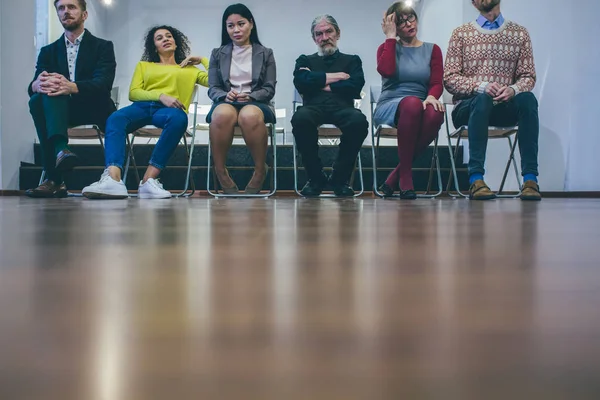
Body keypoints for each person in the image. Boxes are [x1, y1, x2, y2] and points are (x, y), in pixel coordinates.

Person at [82, 25, 208, 199]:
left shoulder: (190, 70)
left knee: (179, 119)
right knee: (115, 119)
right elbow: (134, 92)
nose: (165, 39)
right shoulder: (144, 66)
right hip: (141, 107)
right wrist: (161, 95)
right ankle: (113, 179)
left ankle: (149, 180)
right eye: (159, 38)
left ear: (176, 43)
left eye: (169, 36)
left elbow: (216, 81)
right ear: (154, 46)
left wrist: (202, 60)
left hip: (168, 111)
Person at [444, 0, 541, 201]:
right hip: (467, 107)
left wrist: (513, 90)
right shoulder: (461, 33)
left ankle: (530, 180)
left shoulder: (519, 33)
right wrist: (481, 86)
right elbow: (450, 78)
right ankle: (476, 179)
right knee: (483, 100)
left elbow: (528, 76)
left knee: (528, 100)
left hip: (502, 106)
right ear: (473, 2)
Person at [25, 0, 116, 198]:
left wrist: (71, 86)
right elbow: (34, 85)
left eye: (72, 7)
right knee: (39, 98)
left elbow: (103, 84)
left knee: (52, 93)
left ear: (84, 15)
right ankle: (61, 152)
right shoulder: (48, 51)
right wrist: (36, 85)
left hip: (95, 107)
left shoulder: (103, 47)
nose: (66, 12)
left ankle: (55, 178)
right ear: (58, 14)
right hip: (61, 109)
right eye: (61, 8)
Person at [291, 15, 368, 197]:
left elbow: (356, 85)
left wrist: (318, 82)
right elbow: (301, 82)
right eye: (319, 34)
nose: (324, 37)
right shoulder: (304, 60)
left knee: (358, 121)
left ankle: (339, 178)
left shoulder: (352, 60)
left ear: (338, 33)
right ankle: (315, 177)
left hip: (343, 107)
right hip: (313, 107)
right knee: (300, 119)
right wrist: (339, 76)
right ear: (314, 38)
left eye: (328, 31)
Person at [374, 2, 445, 199]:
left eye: (410, 18)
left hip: (421, 103)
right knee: (412, 103)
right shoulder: (386, 48)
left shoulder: (433, 50)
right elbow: (386, 71)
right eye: (401, 22)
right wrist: (390, 38)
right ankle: (405, 178)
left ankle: (394, 176)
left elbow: (437, 82)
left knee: (436, 111)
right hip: (391, 104)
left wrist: (431, 96)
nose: (408, 24)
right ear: (394, 27)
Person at [207, 3, 276, 194]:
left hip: (256, 102)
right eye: (230, 26)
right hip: (226, 101)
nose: (236, 30)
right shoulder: (217, 54)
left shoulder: (266, 53)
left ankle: (260, 170)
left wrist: (252, 96)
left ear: (251, 24)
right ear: (226, 28)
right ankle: (220, 172)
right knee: (220, 115)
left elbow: (269, 88)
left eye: (241, 23)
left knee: (249, 116)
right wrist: (223, 95)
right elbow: (213, 88)